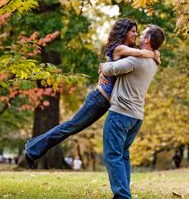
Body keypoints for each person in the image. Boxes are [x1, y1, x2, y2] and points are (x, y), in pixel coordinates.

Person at [25, 19, 159, 169]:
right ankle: (32, 150)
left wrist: (154, 53)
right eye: (133, 31)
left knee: (71, 127)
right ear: (124, 32)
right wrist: (153, 53)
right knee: (71, 127)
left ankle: (33, 146)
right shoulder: (119, 48)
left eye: (137, 31)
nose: (136, 34)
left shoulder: (130, 51)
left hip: (106, 103)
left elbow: (140, 56)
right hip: (98, 99)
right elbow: (142, 53)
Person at [101, 24, 165, 199]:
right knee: (123, 156)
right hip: (136, 117)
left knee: (113, 157)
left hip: (120, 114)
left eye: (142, 34)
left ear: (147, 40)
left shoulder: (136, 61)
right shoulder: (153, 61)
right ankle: (124, 198)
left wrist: (102, 65)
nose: (138, 36)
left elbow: (109, 69)